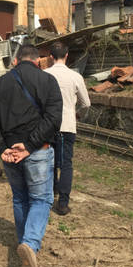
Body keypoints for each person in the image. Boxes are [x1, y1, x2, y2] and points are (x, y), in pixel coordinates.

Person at [0, 44, 62, 267]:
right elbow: (53, 118)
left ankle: (24, 244)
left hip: (10, 153)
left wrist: (2, 146)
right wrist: (29, 145)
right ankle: (29, 244)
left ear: (15, 61)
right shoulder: (48, 81)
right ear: (37, 61)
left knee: (20, 197)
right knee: (41, 199)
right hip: (37, 151)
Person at [45, 42, 91, 216]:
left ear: (50, 57)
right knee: (66, 165)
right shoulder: (75, 76)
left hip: (48, 125)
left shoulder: (44, 75)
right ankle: (63, 203)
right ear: (67, 56)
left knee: (49, 162)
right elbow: (86, 103)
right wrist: (78, 114)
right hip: (67, 125)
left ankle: (50, 195)